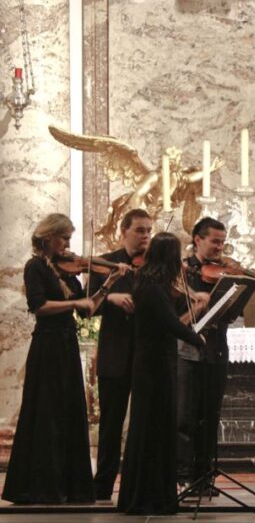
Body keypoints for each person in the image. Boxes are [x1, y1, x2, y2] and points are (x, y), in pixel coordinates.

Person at [2, 213, 125, 504]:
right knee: (47, 411)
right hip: (47, 345)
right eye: (64, 238)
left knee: (69, 411)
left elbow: (88, 310)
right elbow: (39, 306)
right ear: (48, 237)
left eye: (69, 238)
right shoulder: (36, 267)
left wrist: (109, 282)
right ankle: (42, 486)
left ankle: (70, 486)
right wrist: (73, 302)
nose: (69, 245)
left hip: (67, 343)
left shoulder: (68, 272)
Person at [117, 232, 207, 515]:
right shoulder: (153, 289)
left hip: (155, 363)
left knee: (155, 428)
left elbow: (168, 321)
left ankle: (152, 495)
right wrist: (197, 339)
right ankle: (148, 497)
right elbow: (171, 324)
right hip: (153, 367)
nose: (180, 262)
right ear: (169, 258)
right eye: (177, 256)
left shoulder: (151, 285)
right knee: (152, 428)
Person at [177, 217, 252, 491]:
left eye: (223, 242)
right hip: (187, 350)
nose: (220, 248)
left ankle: (204, 476)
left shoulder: (224, 272)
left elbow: (234, 312)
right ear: (198, 240)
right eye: (215, 241)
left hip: (217, 348)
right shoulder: (183, 271)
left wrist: (238, 285)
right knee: (185, 416)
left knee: (210, 415)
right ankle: (183, 475)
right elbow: (176, 316)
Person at [89, 208, 152, 501]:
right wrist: (110, 296)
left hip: (145, 353)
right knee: (111, 425)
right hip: (115, 353)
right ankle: (102, 486)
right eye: (140, 230)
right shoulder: (105, 263)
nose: (145, 237)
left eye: (148, 231)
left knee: (144, 424)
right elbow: (88, 306)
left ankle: (138, 486)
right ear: (124, 231)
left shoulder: (152, 265)